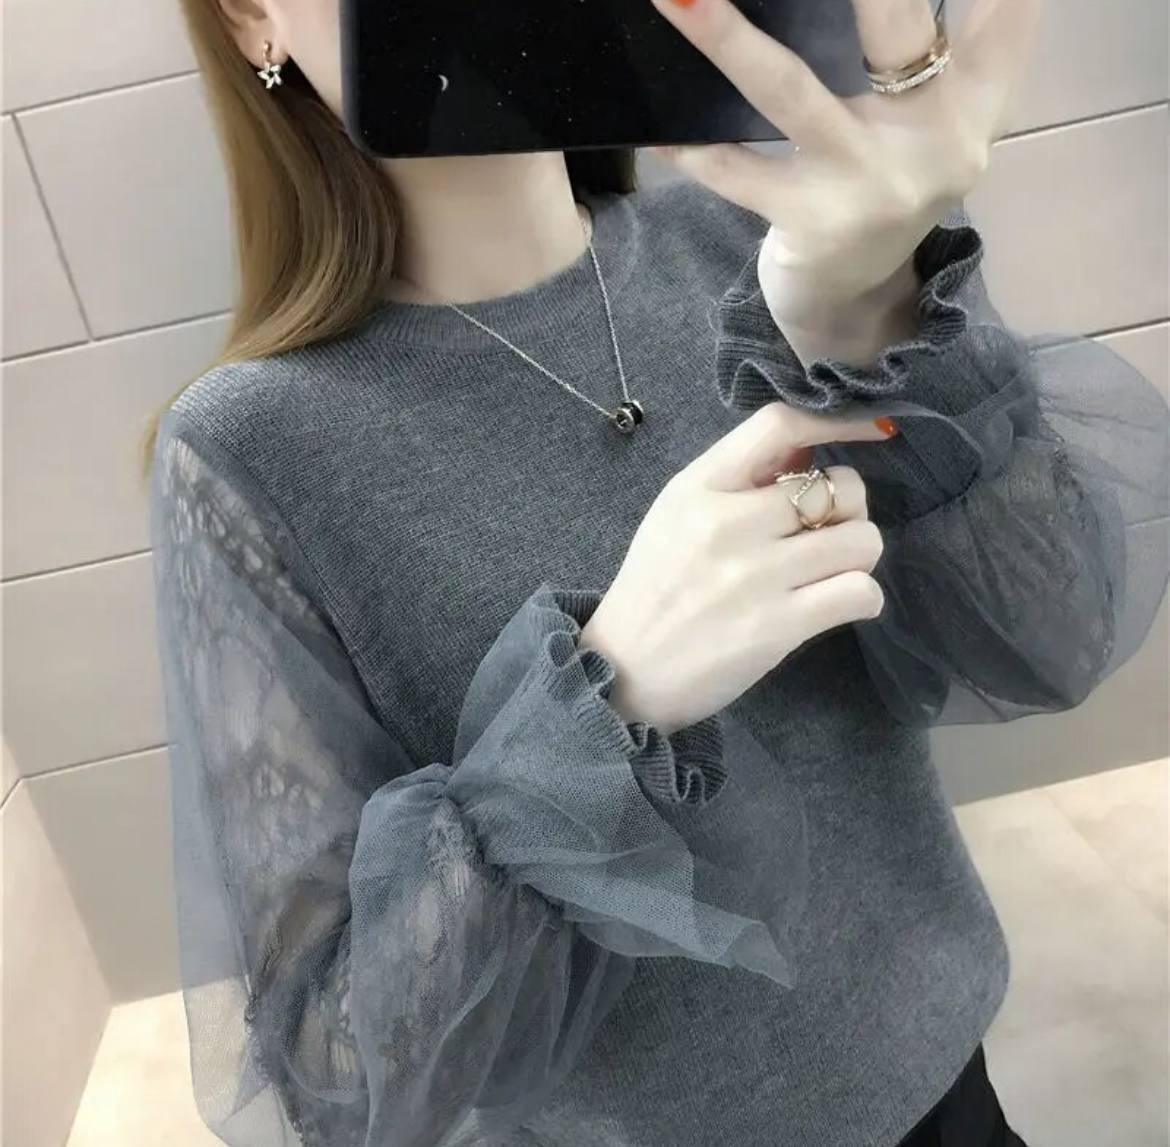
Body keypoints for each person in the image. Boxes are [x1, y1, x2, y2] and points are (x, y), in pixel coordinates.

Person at [144, 0, 1170, 1144]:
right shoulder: (247, 452)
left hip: (948, 1098)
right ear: (250, 18)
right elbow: (340, 1074)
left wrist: (882, 310)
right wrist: (608, 697)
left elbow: (1054, 638)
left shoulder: (779, 236)